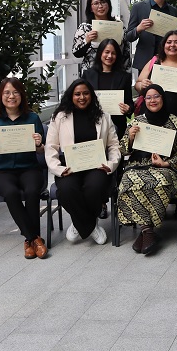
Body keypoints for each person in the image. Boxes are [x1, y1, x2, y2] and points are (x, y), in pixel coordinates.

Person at [117, 84, 177, 254]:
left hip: (167, 168)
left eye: (156, 96)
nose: (152, 100)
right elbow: (123, 150)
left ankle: (146, 231)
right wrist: (130, 137)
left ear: (163, 98)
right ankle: (148, 231)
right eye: (148, 97)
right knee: (128, 179)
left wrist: (166, 163)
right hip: (138, 166)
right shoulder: (137, 121)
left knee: (160, 180)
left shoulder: (176, 122)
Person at [45, 79, 121, 246]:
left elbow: (114, 145)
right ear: (71, 96)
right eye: (77, 94)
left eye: (86, 93)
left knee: (95, 187)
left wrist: (111, 164)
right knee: (66, 189)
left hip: (96, 165)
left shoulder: (104, 117)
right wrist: (58, 169)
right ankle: (90, 226)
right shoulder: (59, 117)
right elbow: (50, 147)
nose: (82, 97)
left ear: (91, 96)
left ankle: (78, 224)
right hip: (69, 166)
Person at [0, 78, 47, 259]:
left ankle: (29, 241)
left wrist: (39, 144)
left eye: (15, 92)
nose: (11, 96)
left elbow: (42, 151)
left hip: (29, 168)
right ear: (1, 96)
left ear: (21, 96)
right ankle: (34, 238)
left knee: (33, 190)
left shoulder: (32, 118)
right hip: (2, 171)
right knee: (11, 192)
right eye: (7, 93)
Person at [125, 0, 177, 73]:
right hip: (145, 60)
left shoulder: (173, 11)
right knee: (145, 88)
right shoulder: (138, 7)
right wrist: (139, 29)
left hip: (167, 60)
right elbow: (129, 36)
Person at [82, 38, 133, 140]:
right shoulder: (88, 75)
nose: (110, 56)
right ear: (100, 53)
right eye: (107, 52)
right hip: (92, 123)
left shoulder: (125, 77)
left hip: (117, 125)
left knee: (116, 155)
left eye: (113, 53)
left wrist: (128, 109)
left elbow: (130, 102)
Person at [71, 0, 132, 72]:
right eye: (96, 3)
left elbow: (126, 53)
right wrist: (87, 41)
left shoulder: (119, 26)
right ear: (91, 8)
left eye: (103, 2)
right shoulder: (85, 28)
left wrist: (126, 75)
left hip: (115, 74)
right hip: (91, 74)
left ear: (108, 5)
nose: (100, 6)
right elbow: (76, 53)